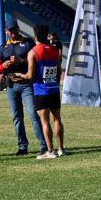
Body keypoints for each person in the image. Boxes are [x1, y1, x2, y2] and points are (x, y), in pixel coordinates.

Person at [0, 19, 47, 156]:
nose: (13, 33)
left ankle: (44, 144)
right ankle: (22, 146)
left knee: (33, 114)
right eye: (10, 30)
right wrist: (3, 66)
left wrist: (22, 60)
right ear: (6, 32)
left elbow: (37, 60)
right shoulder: (3, 48)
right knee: (17, 117)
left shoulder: (28, 43)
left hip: (26, 84)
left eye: (14, 29)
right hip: (11, 86)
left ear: (18, 29)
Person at [22, 29, 65, 159]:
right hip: (54, 89)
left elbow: (30, 75)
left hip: (41, 90)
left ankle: (50, 151)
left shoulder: (33, 52)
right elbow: (59, 71)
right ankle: (61, 149)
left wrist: (19, 75)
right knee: (57, 119)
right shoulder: (54, 50)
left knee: (44, 122)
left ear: (35, 36)